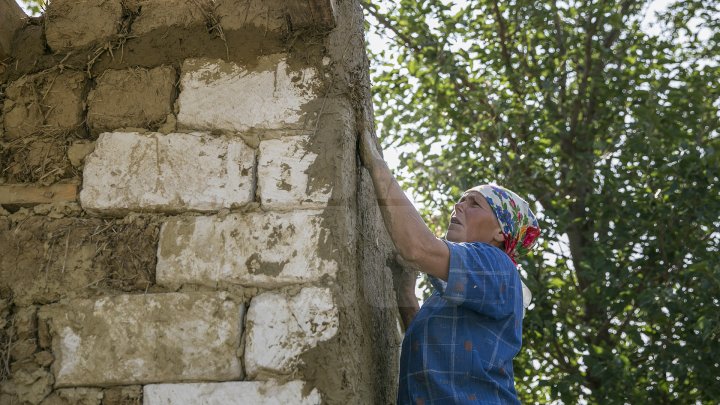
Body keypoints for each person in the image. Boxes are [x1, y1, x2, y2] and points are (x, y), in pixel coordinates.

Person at [359, 128, 541, 404]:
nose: (460, 204)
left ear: (500, 233)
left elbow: (417, 247)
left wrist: (377, 166)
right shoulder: (461, 292)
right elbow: (432, 353)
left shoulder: (497, 265)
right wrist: (406, 293)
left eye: (475, 203)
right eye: (461, 199)